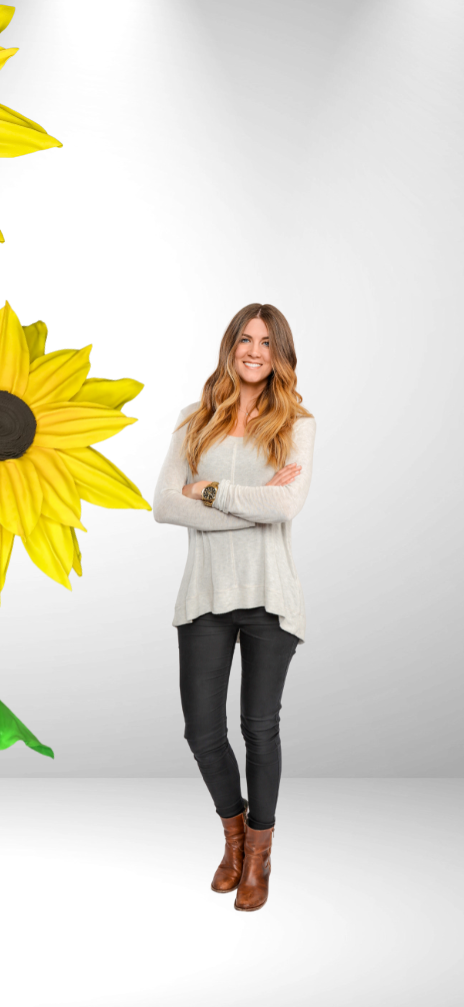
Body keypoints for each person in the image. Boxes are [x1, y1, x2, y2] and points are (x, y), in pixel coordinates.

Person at [152, 303, 315, 912]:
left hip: (270, 595)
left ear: (280, 355)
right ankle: (234, 833)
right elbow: (165, 505)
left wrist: (211, 491)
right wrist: (249, 504)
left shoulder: (298, 422)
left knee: (258, 728)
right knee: (201, 731)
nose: (254, 350)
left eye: (267, 343)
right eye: (245, 339)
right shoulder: (193, 421)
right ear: (229, 347)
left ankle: (257, 858)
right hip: (205, 595)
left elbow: (286, 506)